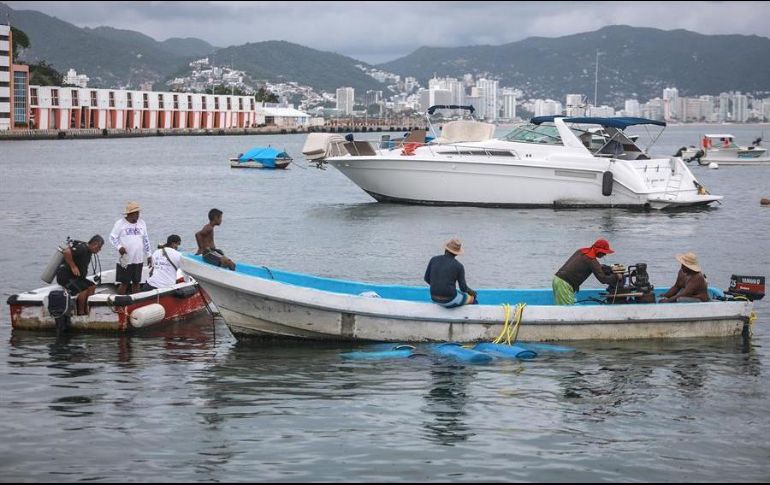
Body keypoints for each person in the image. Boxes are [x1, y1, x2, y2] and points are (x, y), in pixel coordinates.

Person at [553, 239, 622, 305]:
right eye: (604, 252)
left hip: (557, 279)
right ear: (599, 251)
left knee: (562, 307)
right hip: (564, 284)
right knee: (568, 310)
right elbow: (603, 279)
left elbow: (581, 264)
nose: (605, 254)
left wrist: (601, 267)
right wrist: (617, 276)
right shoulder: (591, 260)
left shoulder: (581, 251)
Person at [55, 235, 104, 315]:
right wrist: (73, 266)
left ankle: (87, 309)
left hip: (75, 277)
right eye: (99, 247)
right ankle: (81, 313)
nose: (100, 250)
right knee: (83, 289)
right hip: (65, 277)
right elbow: (66, 252)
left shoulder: (89, 251)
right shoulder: (82, 248)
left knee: (92, 286)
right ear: (94, 244)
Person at [109, 201, 151, 295]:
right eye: (136, 213)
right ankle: (119, 301)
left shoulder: (142, 223)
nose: (138, 215)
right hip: (125, 259)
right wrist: (119, 247)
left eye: (138, 212)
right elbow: (112, 237)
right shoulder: (120, 223)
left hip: (138, 258)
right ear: (130, 214)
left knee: (136, 281)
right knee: (124, 282)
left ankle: (136, 300)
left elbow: (146, 239)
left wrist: (149, 254)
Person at [424, 238, 477, 308]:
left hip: (434, 297)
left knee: (457, 293)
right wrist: (473, 293)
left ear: (446, 249)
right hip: (449, 299)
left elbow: (426, 278)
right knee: (473, 300)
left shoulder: (433, 259)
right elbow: (463, 288)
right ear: (456, 253)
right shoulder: (459, 266)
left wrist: (438, 285)